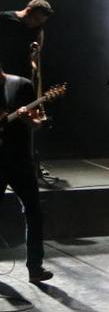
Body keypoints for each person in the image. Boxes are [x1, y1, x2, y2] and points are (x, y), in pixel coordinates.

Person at [0, 64, 53, 283]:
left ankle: (35, 268)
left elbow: (37, 123)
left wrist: (26, 118)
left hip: (20, 161)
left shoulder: (21, 85)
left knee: (33, 212)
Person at [0, 0, 53, 81]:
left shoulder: (37, 29)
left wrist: (33, 62)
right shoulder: (4, 19)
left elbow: (36, 52)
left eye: (41, 22)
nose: (37, 24)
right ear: (28, 11)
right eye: (36, 19)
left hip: (21, 77)